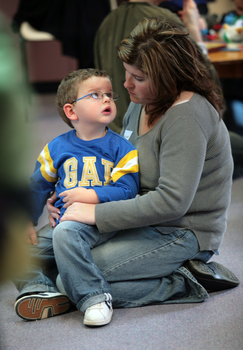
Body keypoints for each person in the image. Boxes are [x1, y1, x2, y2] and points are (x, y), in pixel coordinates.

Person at [48, 18, 239, 314]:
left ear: (168, 77)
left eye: (137, 77)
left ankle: (185, 282)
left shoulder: (187, 118)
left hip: (183, 230)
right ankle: (87, 286)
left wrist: (97, 211)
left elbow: (171, 202)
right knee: (62, 249)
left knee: (70, 279)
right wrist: (67, 192)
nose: (125, 85)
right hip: (140, 215)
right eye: (126, 73)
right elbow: (119, 163)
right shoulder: (143, 101)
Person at [13, 68, 139, 326]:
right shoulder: (56, 148)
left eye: (108, 94)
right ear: (71, 111)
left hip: (101, 223)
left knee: (66, 233)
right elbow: (38, 186)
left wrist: (90, 194)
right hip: (63, 225)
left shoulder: (122, 148)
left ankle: (95, 298)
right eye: (95, 95)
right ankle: (40, 289)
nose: (106, 99)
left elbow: (128, 190)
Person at [94, 0, 215, 134]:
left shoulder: (105, 24)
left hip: (114, 129)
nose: (126, 84)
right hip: (154, 129)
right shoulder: (164, 20)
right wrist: (194, 30)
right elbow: (207, 79)